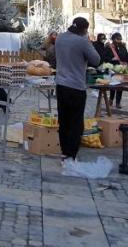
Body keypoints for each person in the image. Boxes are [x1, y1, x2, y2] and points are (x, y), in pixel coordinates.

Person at [54, 17, 100, 162]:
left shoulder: (60, 38)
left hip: (61, 84)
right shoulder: (82, 41)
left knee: (64, 119)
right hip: (76, 86)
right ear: (84, 29)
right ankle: (71, 153)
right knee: (75, 122)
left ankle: (64, 150)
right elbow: (96, 60)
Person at [108, 32, 128, 108]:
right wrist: (111, 60)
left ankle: (118, 102)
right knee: (113, 85)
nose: (119, 40)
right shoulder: (109, 47)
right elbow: (105, 58)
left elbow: (127, 57)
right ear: (113, 39)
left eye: (120, 39)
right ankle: (111, 99)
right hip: (113, 68)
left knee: (120, 86)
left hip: (122, 69)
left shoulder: (122, 47)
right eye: (118, 39)